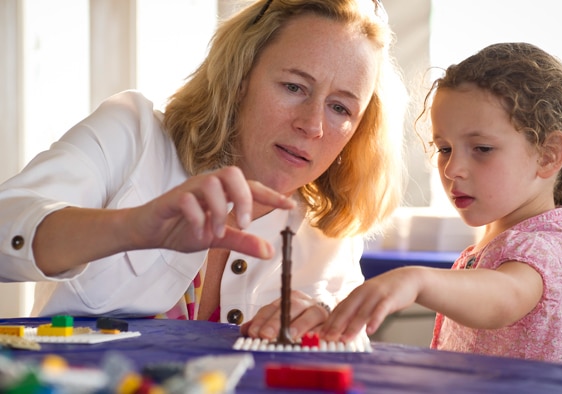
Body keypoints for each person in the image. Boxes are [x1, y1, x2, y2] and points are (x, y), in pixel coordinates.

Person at [0, 0, 405, 340]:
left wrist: (322, 335)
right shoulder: (132, 132)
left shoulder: (332, 232)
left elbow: (348, 361)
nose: (312, 125)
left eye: (340, 108)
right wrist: (130, 227)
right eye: (294, 87)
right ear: (239, 78)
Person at [321, 42, 562, 365]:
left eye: (482, 149)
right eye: (445, 148)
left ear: (548, 155)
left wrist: (416, 279)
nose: (452, 169)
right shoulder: (508, 237)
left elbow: (504, 295)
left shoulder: (544, 247)